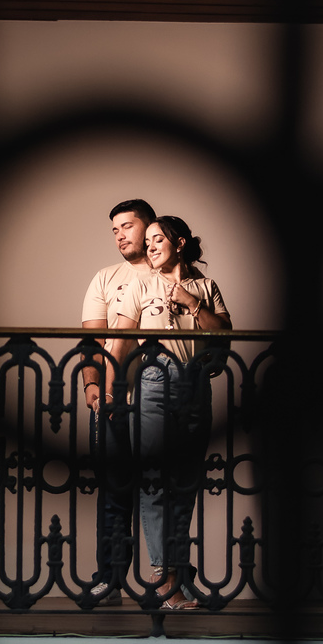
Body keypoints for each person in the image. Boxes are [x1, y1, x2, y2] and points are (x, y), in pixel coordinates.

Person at [111, 216, 231, 610]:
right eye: (146, 241)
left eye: (157, 238)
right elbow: (123, 341)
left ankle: (175, 577)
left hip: (196, 385)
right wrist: (113, 389)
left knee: (186, 483)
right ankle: (165, 581)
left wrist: (193, 305)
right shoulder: (141, 284)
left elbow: (225, 336)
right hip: (154, 383)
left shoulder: (205, 287)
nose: (149, 246)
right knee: (153, 481)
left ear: (179, 243)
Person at [80, 198, 156, 598]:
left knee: (164, 488)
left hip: (164, 397)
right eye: (115, 229)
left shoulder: (177, 275)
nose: (120, 235)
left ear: (150, 226)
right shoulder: (106, 278)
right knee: (114, 489)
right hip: (115, 400)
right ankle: (109, 579)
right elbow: (91, 341)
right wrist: (93, 386)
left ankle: (169, 582)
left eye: (128, 226)